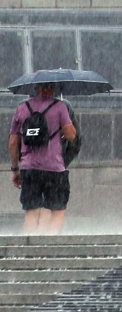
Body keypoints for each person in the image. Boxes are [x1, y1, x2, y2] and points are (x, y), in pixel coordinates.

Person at [8, 83, 77, 234]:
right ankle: (50, 248)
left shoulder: (22, 108)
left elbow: (13, 142)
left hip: (29, 168)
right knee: (57, 210)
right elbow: (71, 135)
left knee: (31, 211)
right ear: (53, 88)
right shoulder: (60, 106)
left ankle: (29, 249)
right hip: (54, 168)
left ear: (36, 89)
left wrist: (15, 169)